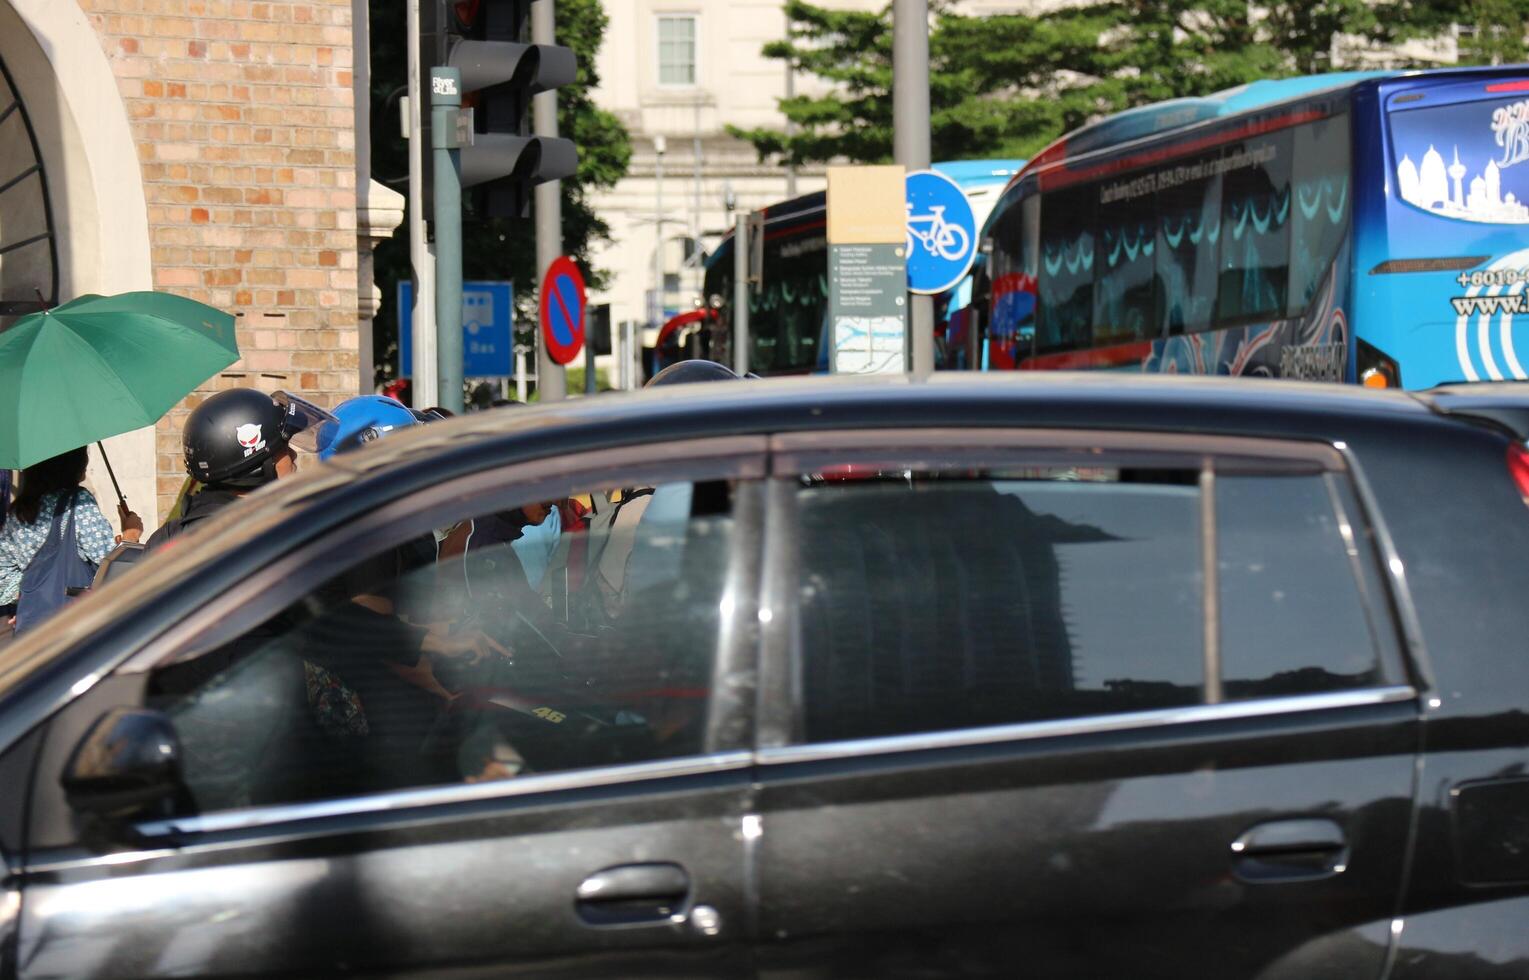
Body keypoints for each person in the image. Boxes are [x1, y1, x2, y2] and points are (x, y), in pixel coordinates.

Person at [0, 447, 142, 634]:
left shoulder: (18, 512)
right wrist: (131, 535)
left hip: (31, 632)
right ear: (70, 465)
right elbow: (114, 571)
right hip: (74, 631)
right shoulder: (79, 503)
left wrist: (33, 594)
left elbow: (3, 578)